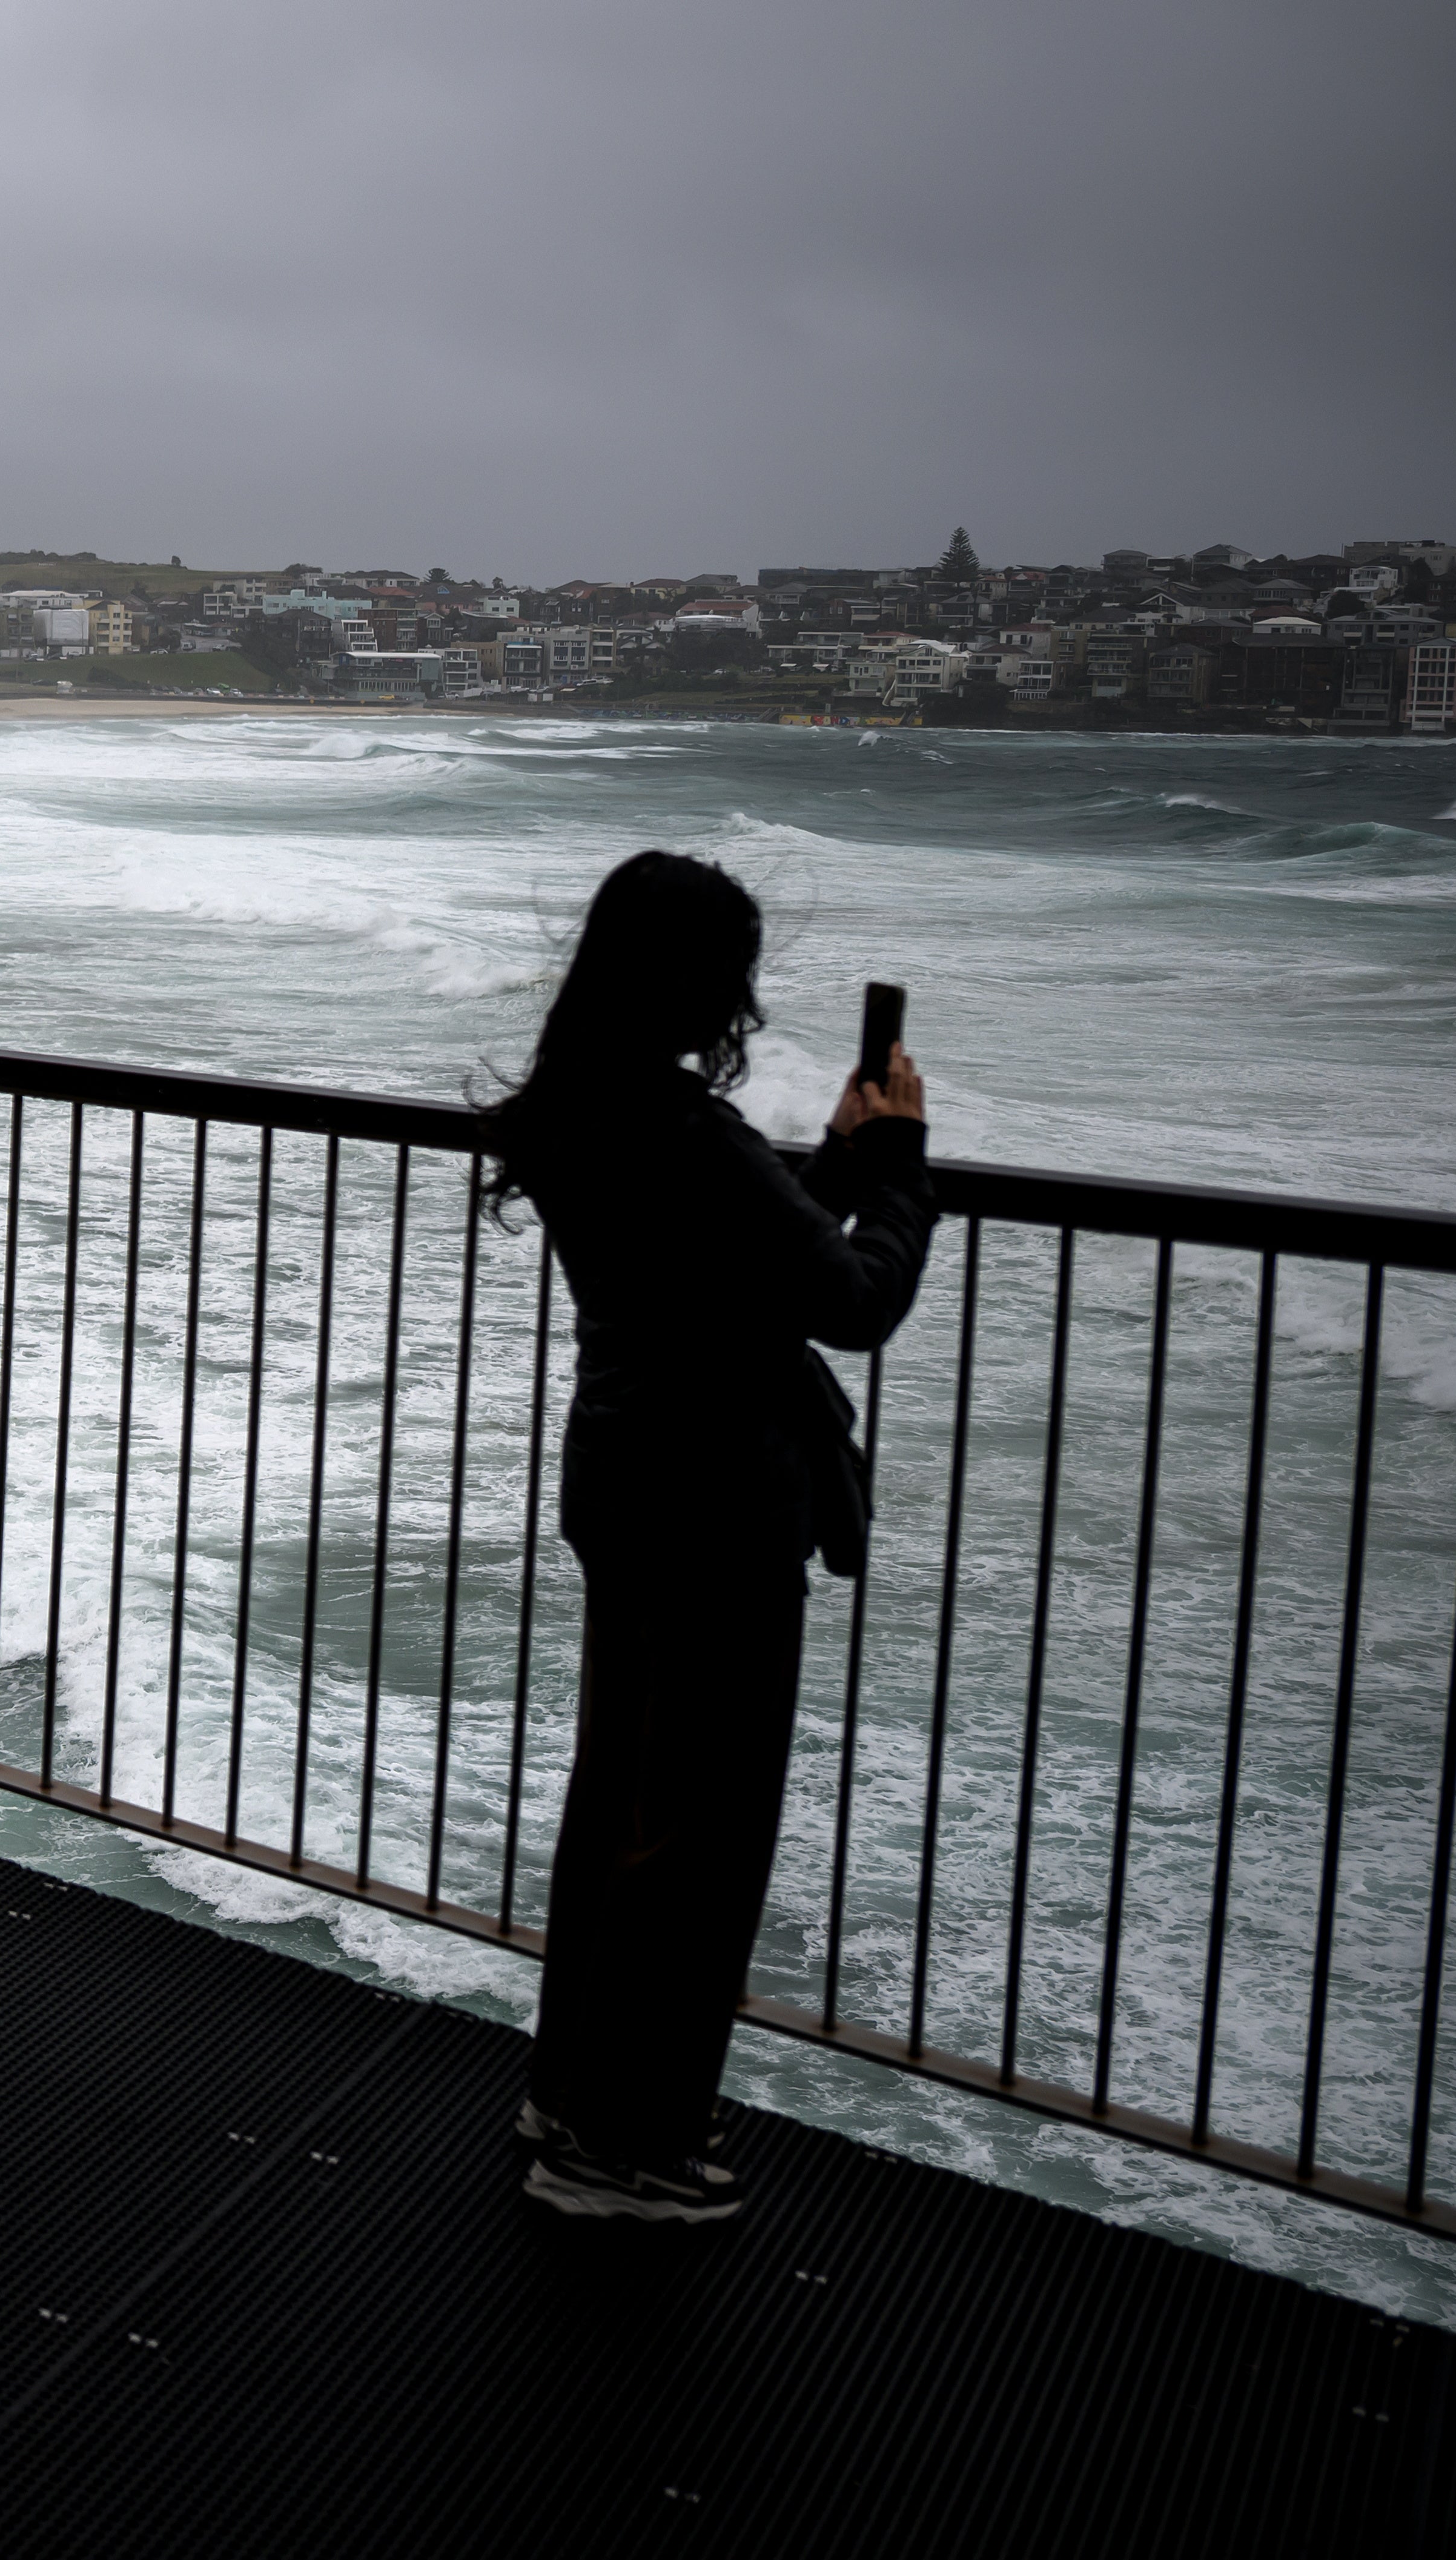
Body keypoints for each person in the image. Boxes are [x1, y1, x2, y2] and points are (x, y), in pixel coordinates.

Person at [486, 850, 933, 2224]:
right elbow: (852, 1299)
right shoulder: (686, 1136)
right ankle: (625, 2147)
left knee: (621, 1798)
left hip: (622, 1473)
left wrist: (832, 1169)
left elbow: (730, 1235)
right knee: (703, 1829)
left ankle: (574, 2097)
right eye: (732, 971)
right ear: (693, 984)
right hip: (719, 1502)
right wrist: (901, 1172)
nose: (740, 998)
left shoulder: (578, 1115)